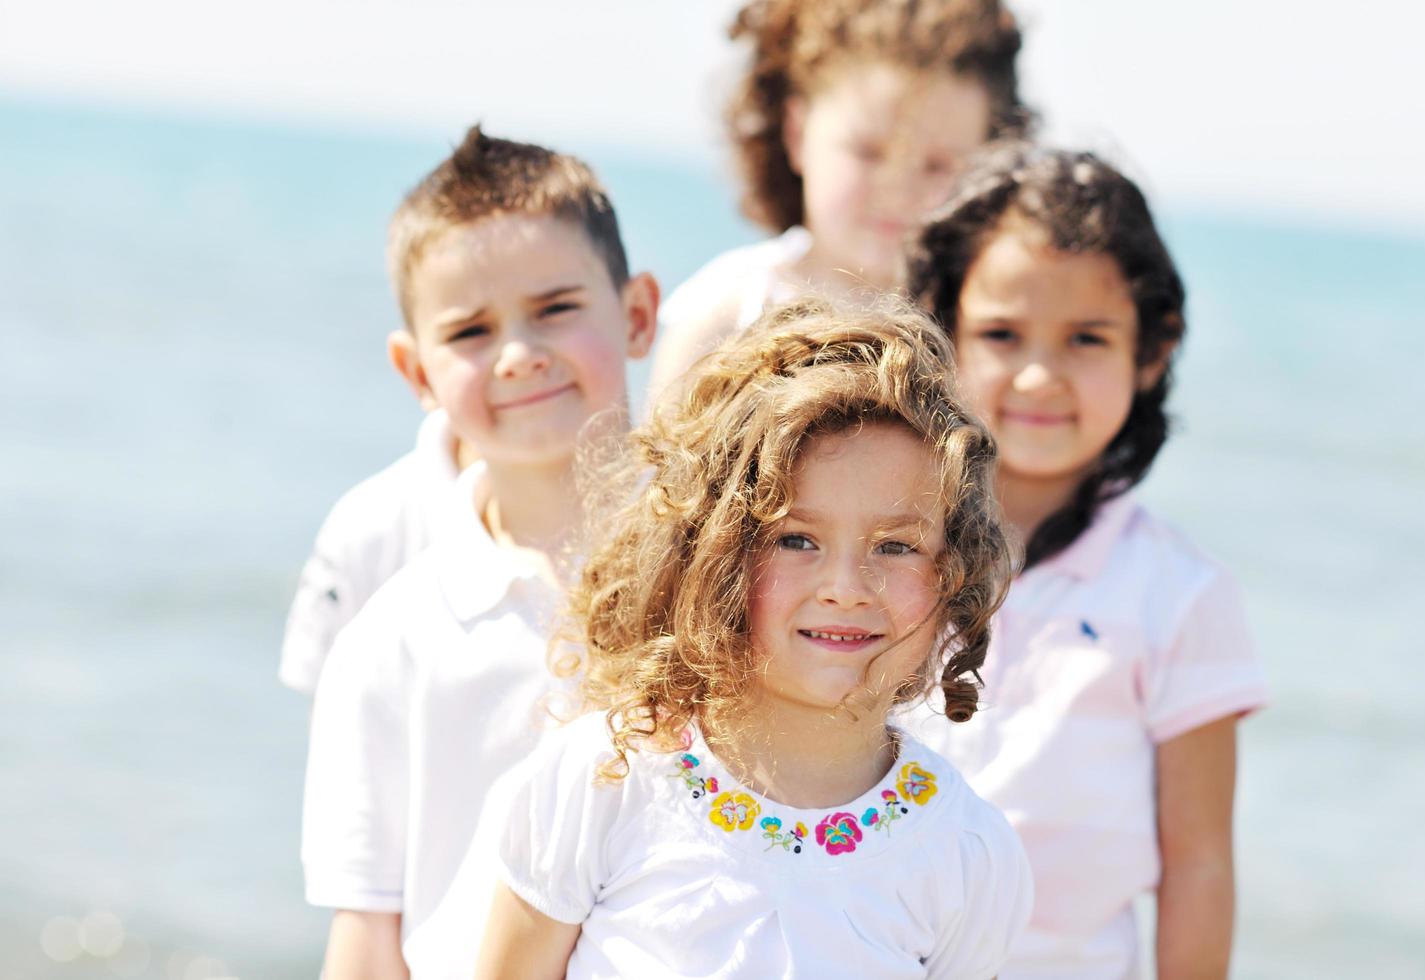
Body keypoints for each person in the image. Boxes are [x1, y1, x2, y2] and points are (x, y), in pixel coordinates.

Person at [476, 300, 1034, 979]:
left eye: (895, 546)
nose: (846, 586)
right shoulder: (603, 780)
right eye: (795, 539)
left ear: (954, 571)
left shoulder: (966, 852)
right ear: (712, 551)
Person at [902, 142, 1270, 979]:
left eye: (1086, 338)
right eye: (1001, 333)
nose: (1040, 374)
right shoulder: (884, 545)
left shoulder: (1181, 594)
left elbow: (1200, 866)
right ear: (942, 334)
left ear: (1152, 352)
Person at [299, 126, 658, 979]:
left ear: (638, 313)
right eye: (469, 331)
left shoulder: (735, 571)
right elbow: (367, 932)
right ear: (415, 370)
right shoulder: (390, 642)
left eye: (557, 309)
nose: (520, 355)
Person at [647, 0, 1030, 402]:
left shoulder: (994, 326)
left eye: (937, 165)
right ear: (797, 134)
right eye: (868, 152)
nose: (898, 188)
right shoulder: (726, 316)